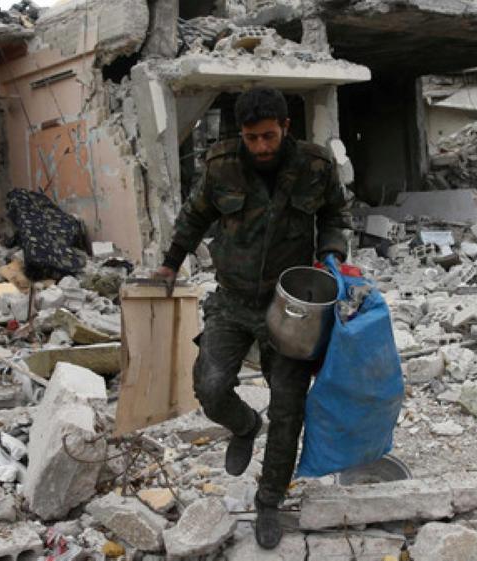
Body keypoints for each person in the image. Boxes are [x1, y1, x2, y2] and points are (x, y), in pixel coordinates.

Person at [154, 88, 351, 549]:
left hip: (291, 304)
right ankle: (244, 426)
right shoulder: (223, 164)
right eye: (251, 138)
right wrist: (169, 262)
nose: (260, 147)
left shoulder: (316, 166)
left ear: (286, 127)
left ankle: (269, 501)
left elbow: (336, 214)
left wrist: (331, 257)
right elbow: (195, 215)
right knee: (210, 385)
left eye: (268, 136)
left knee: (288, 407)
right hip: (233, 299)